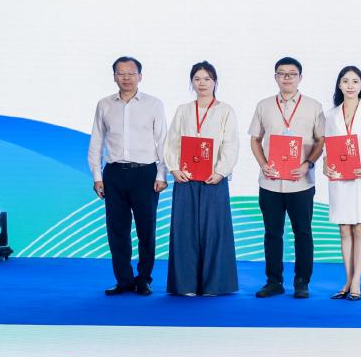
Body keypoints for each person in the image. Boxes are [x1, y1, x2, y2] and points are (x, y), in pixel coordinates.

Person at [88, 56, 168, 296]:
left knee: (146, 229)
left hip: (145, 174)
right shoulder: (104, 105)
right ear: (114, 76)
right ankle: (123, 280)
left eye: (131, 73)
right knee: (117, 230)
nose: (126, 78)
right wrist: (97, 176)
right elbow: (96, 141)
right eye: (121, 73)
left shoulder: (153, 104)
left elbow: (163, 141)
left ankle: (144, 279)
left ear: (140, 76)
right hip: (113, 174)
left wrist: (162, 174)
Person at [247, 56, 325, 299]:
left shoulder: (313, 106)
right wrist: (263, 165)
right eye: (282, 73)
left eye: (292, 73)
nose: (287, 77)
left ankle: (302, 282)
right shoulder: (264, 105)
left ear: (300, 77)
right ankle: (274, 281)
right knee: (272, 233)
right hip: (270, 182)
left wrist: (307, 164)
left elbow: (321, 140)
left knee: (303, 233)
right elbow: (255, 139)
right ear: (275, 77)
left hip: (300, 182)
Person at [163, 61, 239, 296]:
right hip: (185, 179)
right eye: (197, 79)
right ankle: (185, 284)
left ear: (215, 82)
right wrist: (174, 168)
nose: (202, 83)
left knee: (214, 231)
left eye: (207, 78)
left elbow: (230, 144)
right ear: (191, 82)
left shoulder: (225, 110)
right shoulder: (183, 110)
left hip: (213, 180)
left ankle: (213, 284)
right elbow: (172, 142)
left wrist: (220, 171)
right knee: (184, 231)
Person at [324, 66, 361, 302]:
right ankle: (347, 281)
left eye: (355, 81)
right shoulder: (331, 115)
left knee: (360, 228)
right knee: (344, 229)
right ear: (339, 85)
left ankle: (357, 280)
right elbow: (327, 145)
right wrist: (325, 165)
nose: (350, 85)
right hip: (340, 178)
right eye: (346, 81)